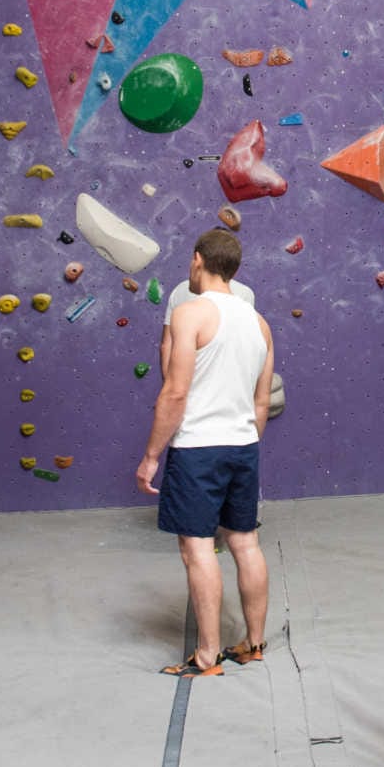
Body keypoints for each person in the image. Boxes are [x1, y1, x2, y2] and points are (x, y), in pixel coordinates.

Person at [134, 229, 275, 678]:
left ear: (197, 261)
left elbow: (175, 392)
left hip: (198, 448)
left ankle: (207, 656)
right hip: (244, 445)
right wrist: (246, 439)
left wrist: (152, 455)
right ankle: (253, 644)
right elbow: (261, 401)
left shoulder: (189, 313)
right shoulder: (259, 322)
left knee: (198, 550)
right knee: (245, 542)